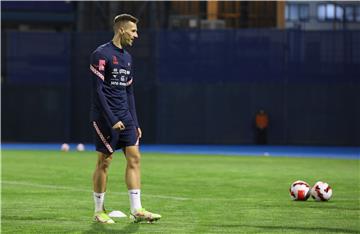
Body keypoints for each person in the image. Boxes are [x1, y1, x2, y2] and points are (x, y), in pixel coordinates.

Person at [89, 14, 161, 224]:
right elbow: (98, 91)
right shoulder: (100, 54)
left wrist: (135, 123)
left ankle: (137, 209)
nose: (136, 35)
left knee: (135, 157)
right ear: (121, 30)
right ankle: (98, 211)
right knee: (105, 161)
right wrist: (111, 118)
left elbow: (129, 93)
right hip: (104, 116)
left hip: (125, 116)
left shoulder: (128, 58)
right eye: (133, 31)